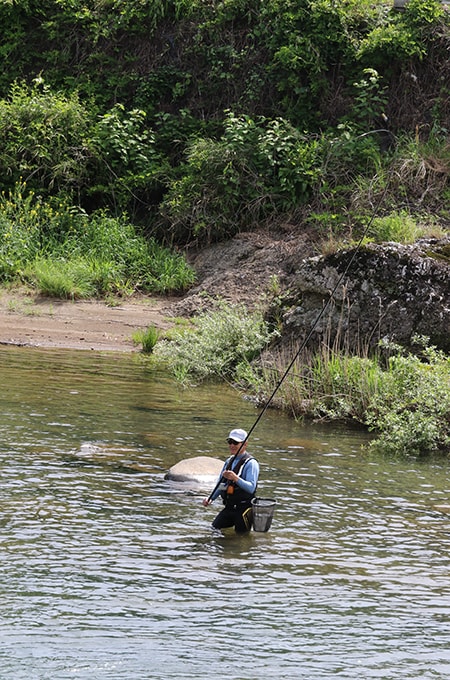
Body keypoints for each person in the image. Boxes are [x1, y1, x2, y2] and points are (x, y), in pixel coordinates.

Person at [202, 428, 259, 533]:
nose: (232, 445)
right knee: (213, 530)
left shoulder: (251, 463)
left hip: (244, 509)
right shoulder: (229, 461)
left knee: (241, 539)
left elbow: (251, 488)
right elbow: (222, 484)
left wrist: (235, 478)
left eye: (236, 442)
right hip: (229, 507)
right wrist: (211, 498)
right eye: (230, 442)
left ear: (245, 444)